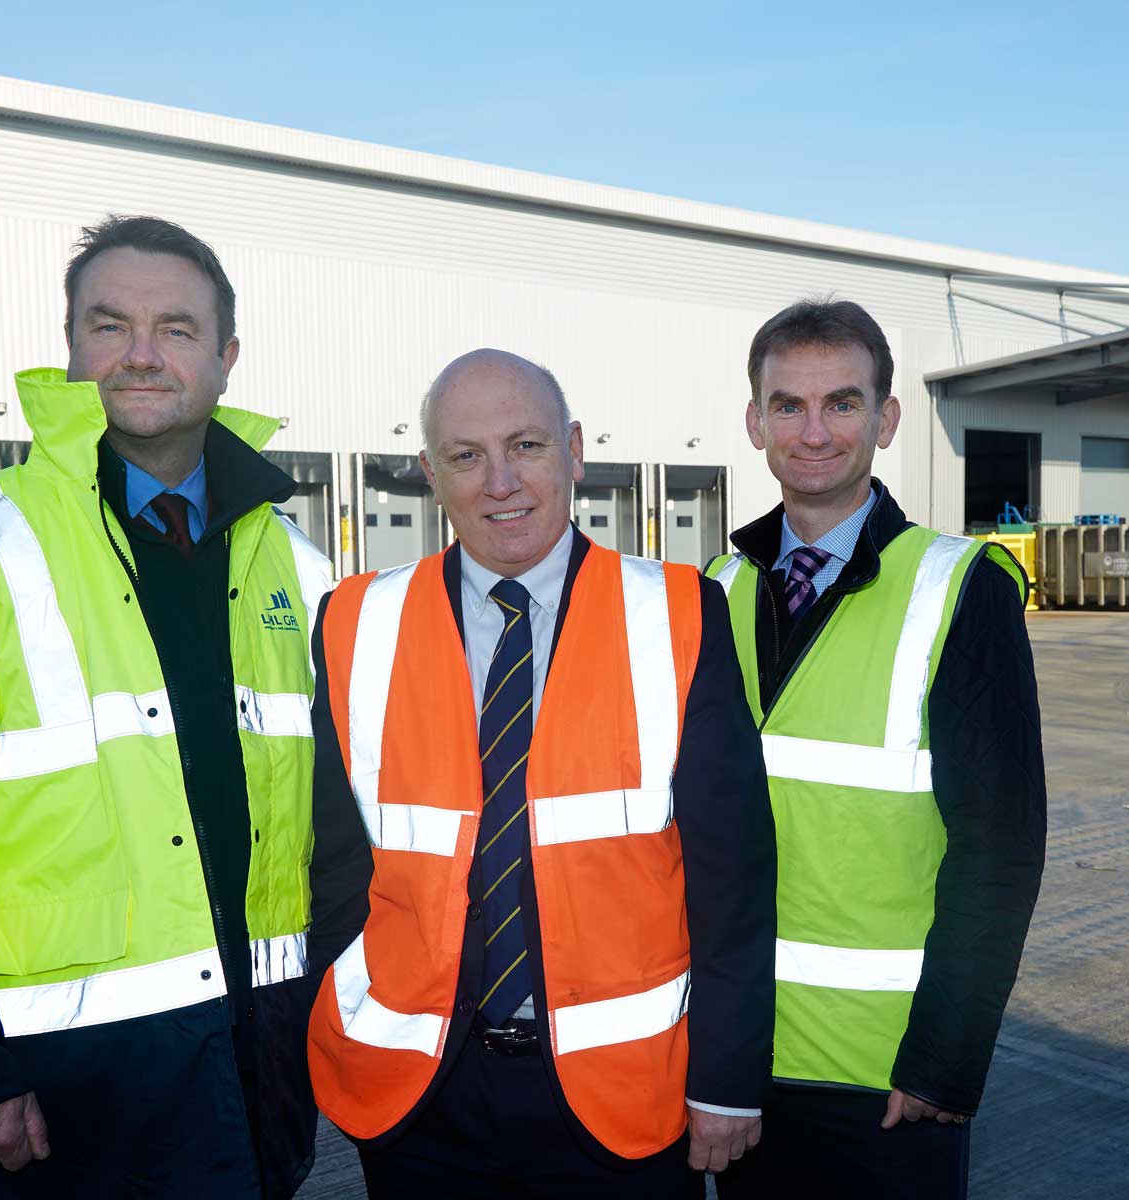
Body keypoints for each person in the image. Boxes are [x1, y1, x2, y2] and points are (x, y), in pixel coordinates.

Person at [0, 216, 333, 1198]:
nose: (142, 352)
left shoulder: (298, 571)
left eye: (177, 329)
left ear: (226, 360)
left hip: (259, 1059)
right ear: (71, 350)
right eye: (111, 325)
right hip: (64, 1089)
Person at [306, 348, 777, 1197]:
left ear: (575, 451)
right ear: (430, 474)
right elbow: (336, 866)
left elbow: (733, 878)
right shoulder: (354, 622)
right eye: (465, 456)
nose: (499, 483)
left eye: (524, 446)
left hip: (620, 1103)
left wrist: (729, 1079)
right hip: (420, 1103)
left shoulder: (678, 612)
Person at [706, 299, 1047, 1199]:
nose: (813, 432)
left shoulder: (960, 589)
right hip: (739, 1066)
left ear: (886, 419)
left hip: (885, 1077)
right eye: (788, 406)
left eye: (843, 404)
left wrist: (945, 1059)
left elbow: (1000, 848)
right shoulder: (715, 589)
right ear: (754, 422)